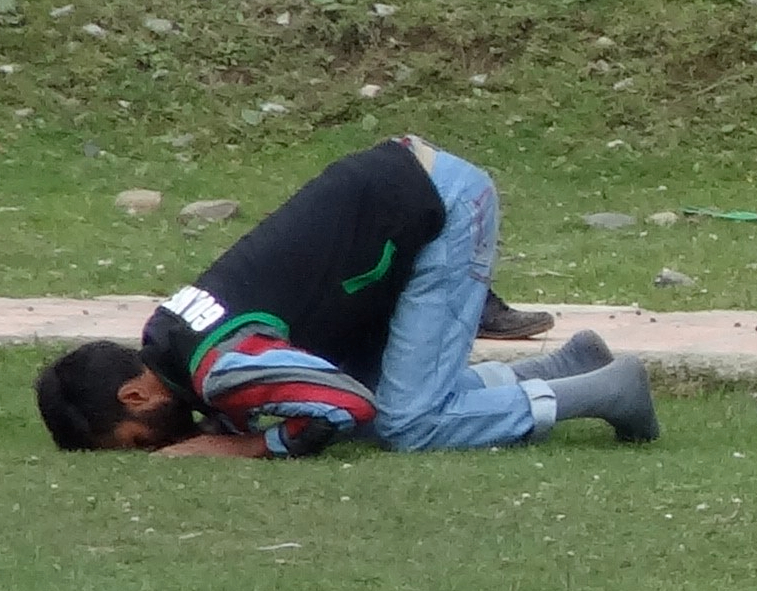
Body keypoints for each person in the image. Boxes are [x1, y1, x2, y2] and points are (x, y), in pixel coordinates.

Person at [34, 135, 657, 456]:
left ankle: (608, 392)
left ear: (135, 394)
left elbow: (347, 404)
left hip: (440, 203)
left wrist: (245, 446)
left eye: (142, 442)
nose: (168, 448)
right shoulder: (166, 338)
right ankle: (567, 367)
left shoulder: (219, 365)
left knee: (406, 423)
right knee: (398, 406)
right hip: (407, 187)